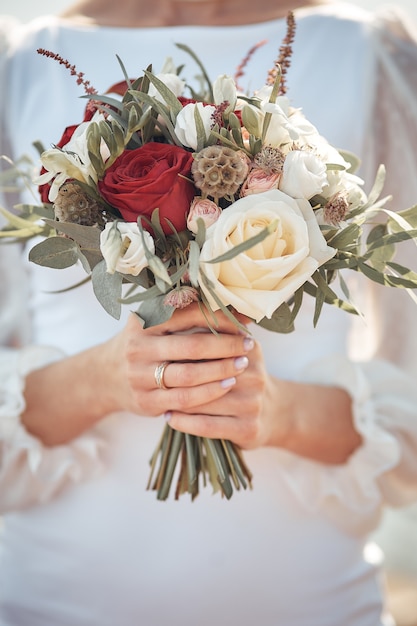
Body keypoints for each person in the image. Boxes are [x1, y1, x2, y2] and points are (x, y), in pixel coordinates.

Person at [0, 0, 417, 624]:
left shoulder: (366, 54)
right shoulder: (22, 66)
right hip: (52, 604)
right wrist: (108, 377)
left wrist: (278, 412)